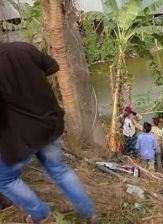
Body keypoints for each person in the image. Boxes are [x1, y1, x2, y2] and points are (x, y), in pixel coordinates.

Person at [0, 42, 97, 223]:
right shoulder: (23, 48)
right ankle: (90, 213)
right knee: (60, 170)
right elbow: (53, 66)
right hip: (48, 123)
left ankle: (41, 215)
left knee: (4, 179)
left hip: (21, 136)